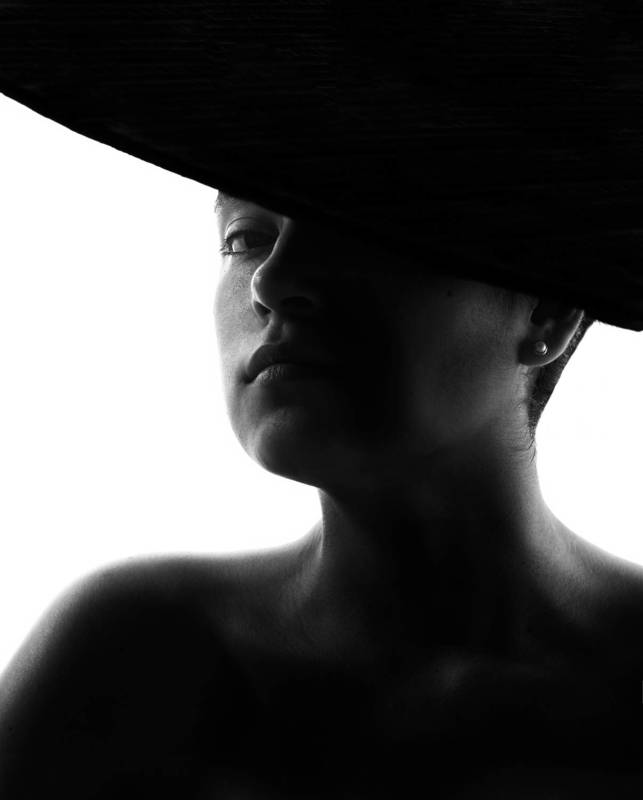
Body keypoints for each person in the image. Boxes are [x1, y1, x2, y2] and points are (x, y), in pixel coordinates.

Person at [1, 1, 643, 797]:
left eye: (362, 230)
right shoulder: (135, 661)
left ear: (544, 315)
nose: (274, 282)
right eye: (246, 237)